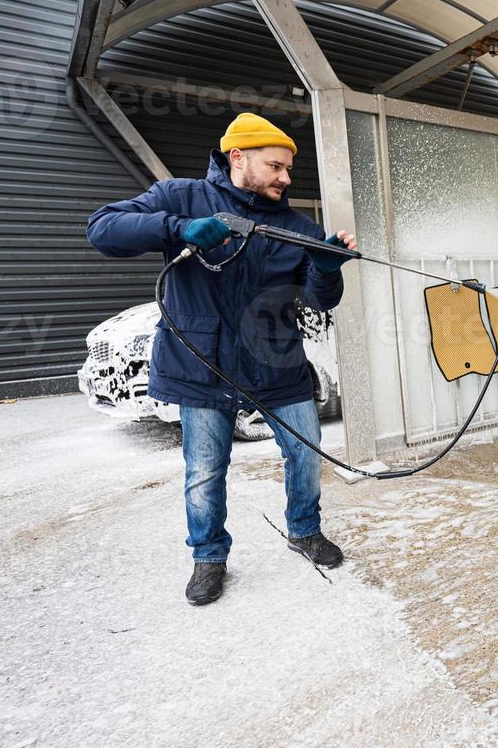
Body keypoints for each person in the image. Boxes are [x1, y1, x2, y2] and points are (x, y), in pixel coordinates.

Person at [86, 112, 357, 605]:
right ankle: (209, 557)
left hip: (277, 363)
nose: (285, 178)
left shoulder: (296, 226)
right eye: (276, 166)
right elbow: (102, 229)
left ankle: (304, 530)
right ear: (238, 158)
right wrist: (181, 229)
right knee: (205, 470)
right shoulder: (179, 197)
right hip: (202, 365)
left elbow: (321, 301)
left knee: (306, 453)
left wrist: (327, 267)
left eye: (287, 169)